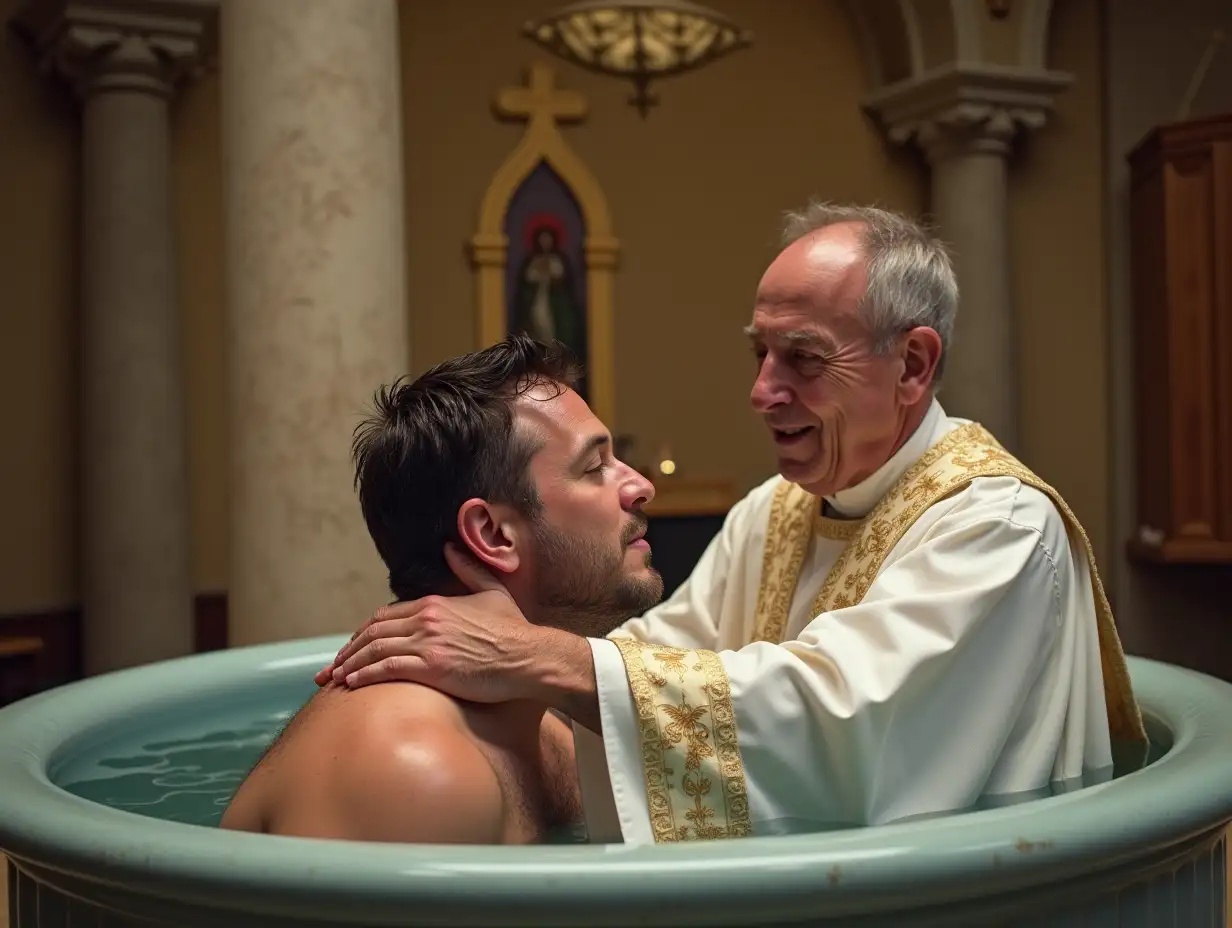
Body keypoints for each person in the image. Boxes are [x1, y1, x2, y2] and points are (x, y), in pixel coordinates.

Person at [316, 202, 1147, 845]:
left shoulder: (998, 524)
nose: (762, 391)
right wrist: (491, 682)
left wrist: (541, 659)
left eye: (804, 358)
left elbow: (851, 729)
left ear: (915, 364)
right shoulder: (778, 511)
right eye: (760, 353)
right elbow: (666, 654)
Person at [220, 335, 664, 844]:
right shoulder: (409, 767)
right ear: (494, 535)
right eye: (594, 467)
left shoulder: (547, 732)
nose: (641, 486)